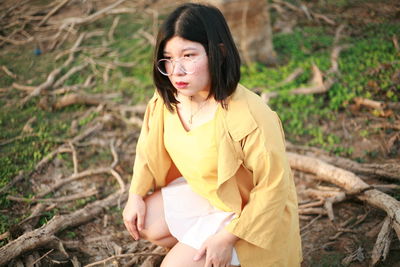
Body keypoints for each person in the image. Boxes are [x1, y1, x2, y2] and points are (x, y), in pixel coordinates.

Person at [122, 3, 302, 267]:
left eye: (188, 55)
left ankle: (227, 254)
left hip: (247, 210)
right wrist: (135, 194)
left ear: (218, 52)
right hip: (208, 196)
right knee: (147, 220)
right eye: (168, 59)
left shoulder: (251, 115)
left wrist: (227, 238)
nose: (177, 71)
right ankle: (205, 250)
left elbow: (273, 188)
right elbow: (147, 147)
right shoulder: (168, 100)